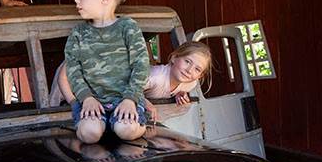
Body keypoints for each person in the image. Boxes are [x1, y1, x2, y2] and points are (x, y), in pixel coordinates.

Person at [64, 0, 149, 144]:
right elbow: (73, 70)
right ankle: (91, 124)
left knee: (126, 130)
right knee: (90, 134)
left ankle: (138, 122)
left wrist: (130, 99)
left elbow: (141, 65)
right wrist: (86, 98)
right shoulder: (78, 33)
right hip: (91, 102)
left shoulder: (128, 27)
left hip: (125, 100)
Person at [53, 41, 212, 122]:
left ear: (200, 76)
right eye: (187, 62)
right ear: (174, 58)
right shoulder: (154, 77)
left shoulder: (190, 82)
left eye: (197, 70)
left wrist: (180, 93)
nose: (190, 71)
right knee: (56, 102)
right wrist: (147, 103)